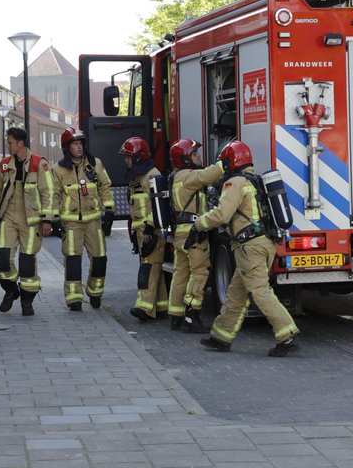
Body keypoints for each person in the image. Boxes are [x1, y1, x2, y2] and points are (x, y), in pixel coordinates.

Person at [195, 141, 299, 357]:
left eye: (224, 163)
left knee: (260, 290)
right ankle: (221, 336)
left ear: (231, 162)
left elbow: (222, 215)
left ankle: (286, 334)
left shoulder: (234, 183)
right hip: (263, 243)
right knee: (236, 292)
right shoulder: (255, 181)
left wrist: (198, 224)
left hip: (250, 247)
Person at [0, 126, 56, 316]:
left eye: (10, 142)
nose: (8, 145)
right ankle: (11, 291)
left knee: (27, 264)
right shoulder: (4, 165)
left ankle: (27, 300)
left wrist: (47, 220)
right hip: (9, 217)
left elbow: (48, 192)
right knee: (1, 258)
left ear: (20, 143)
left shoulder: (38, 164)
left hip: (31, 221)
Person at [51, 126, 114, 311]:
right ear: (66, 147)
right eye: (75, 144)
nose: (79, 147)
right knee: (73, 261)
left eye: (80, 143)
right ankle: (74, 298)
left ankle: (95, 293)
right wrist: (54, 219)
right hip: (71, 224)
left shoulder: (95, 165)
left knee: (100, 259)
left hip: (94, 221)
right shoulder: (58, 170)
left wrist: (109, 210)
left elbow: (105, 187)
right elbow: (53, 195)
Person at [166, 138, 224, 333]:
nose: (198, 156)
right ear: (185, 158)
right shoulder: (188, 176)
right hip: (193, 235)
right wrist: (226, 161)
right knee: (199, 272)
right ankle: (192, 315)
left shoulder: (175, 176)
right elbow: (208, 175)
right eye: (195, 154)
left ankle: (175, 315)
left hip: (180, 235)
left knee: (181, 274)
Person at [121, 137, 168, 322]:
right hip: (142, 231)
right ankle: (162, 306)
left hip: (151, 232)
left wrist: (149, 229)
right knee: (155, 268)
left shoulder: (151, 176)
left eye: (128, 157)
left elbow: (157, 207)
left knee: (148, 268)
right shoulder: (137, 177)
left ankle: (144, 307)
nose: (125, 160)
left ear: (138, 157)